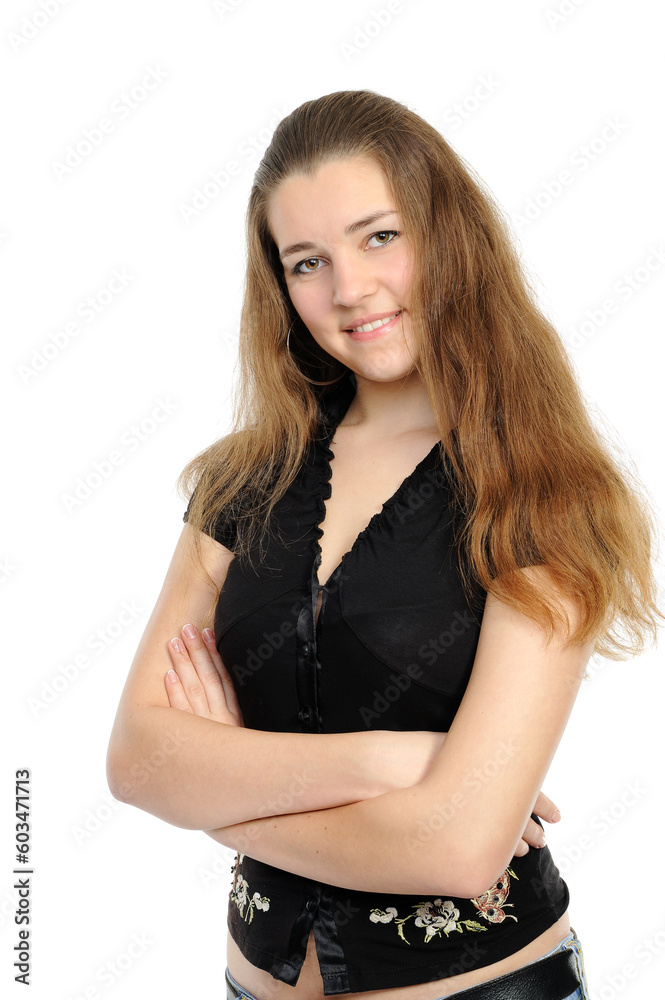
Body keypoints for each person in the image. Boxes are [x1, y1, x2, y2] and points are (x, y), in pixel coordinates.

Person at [106, 90, 662, 1000]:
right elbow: (136, 762)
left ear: (447, 235)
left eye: (379, 237)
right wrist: (392, 762)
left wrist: (216, 808)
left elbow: (457, 847)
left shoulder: (537, 488)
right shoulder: (242, 480)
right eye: (307, 261)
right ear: (279, 286)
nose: (348, 289)